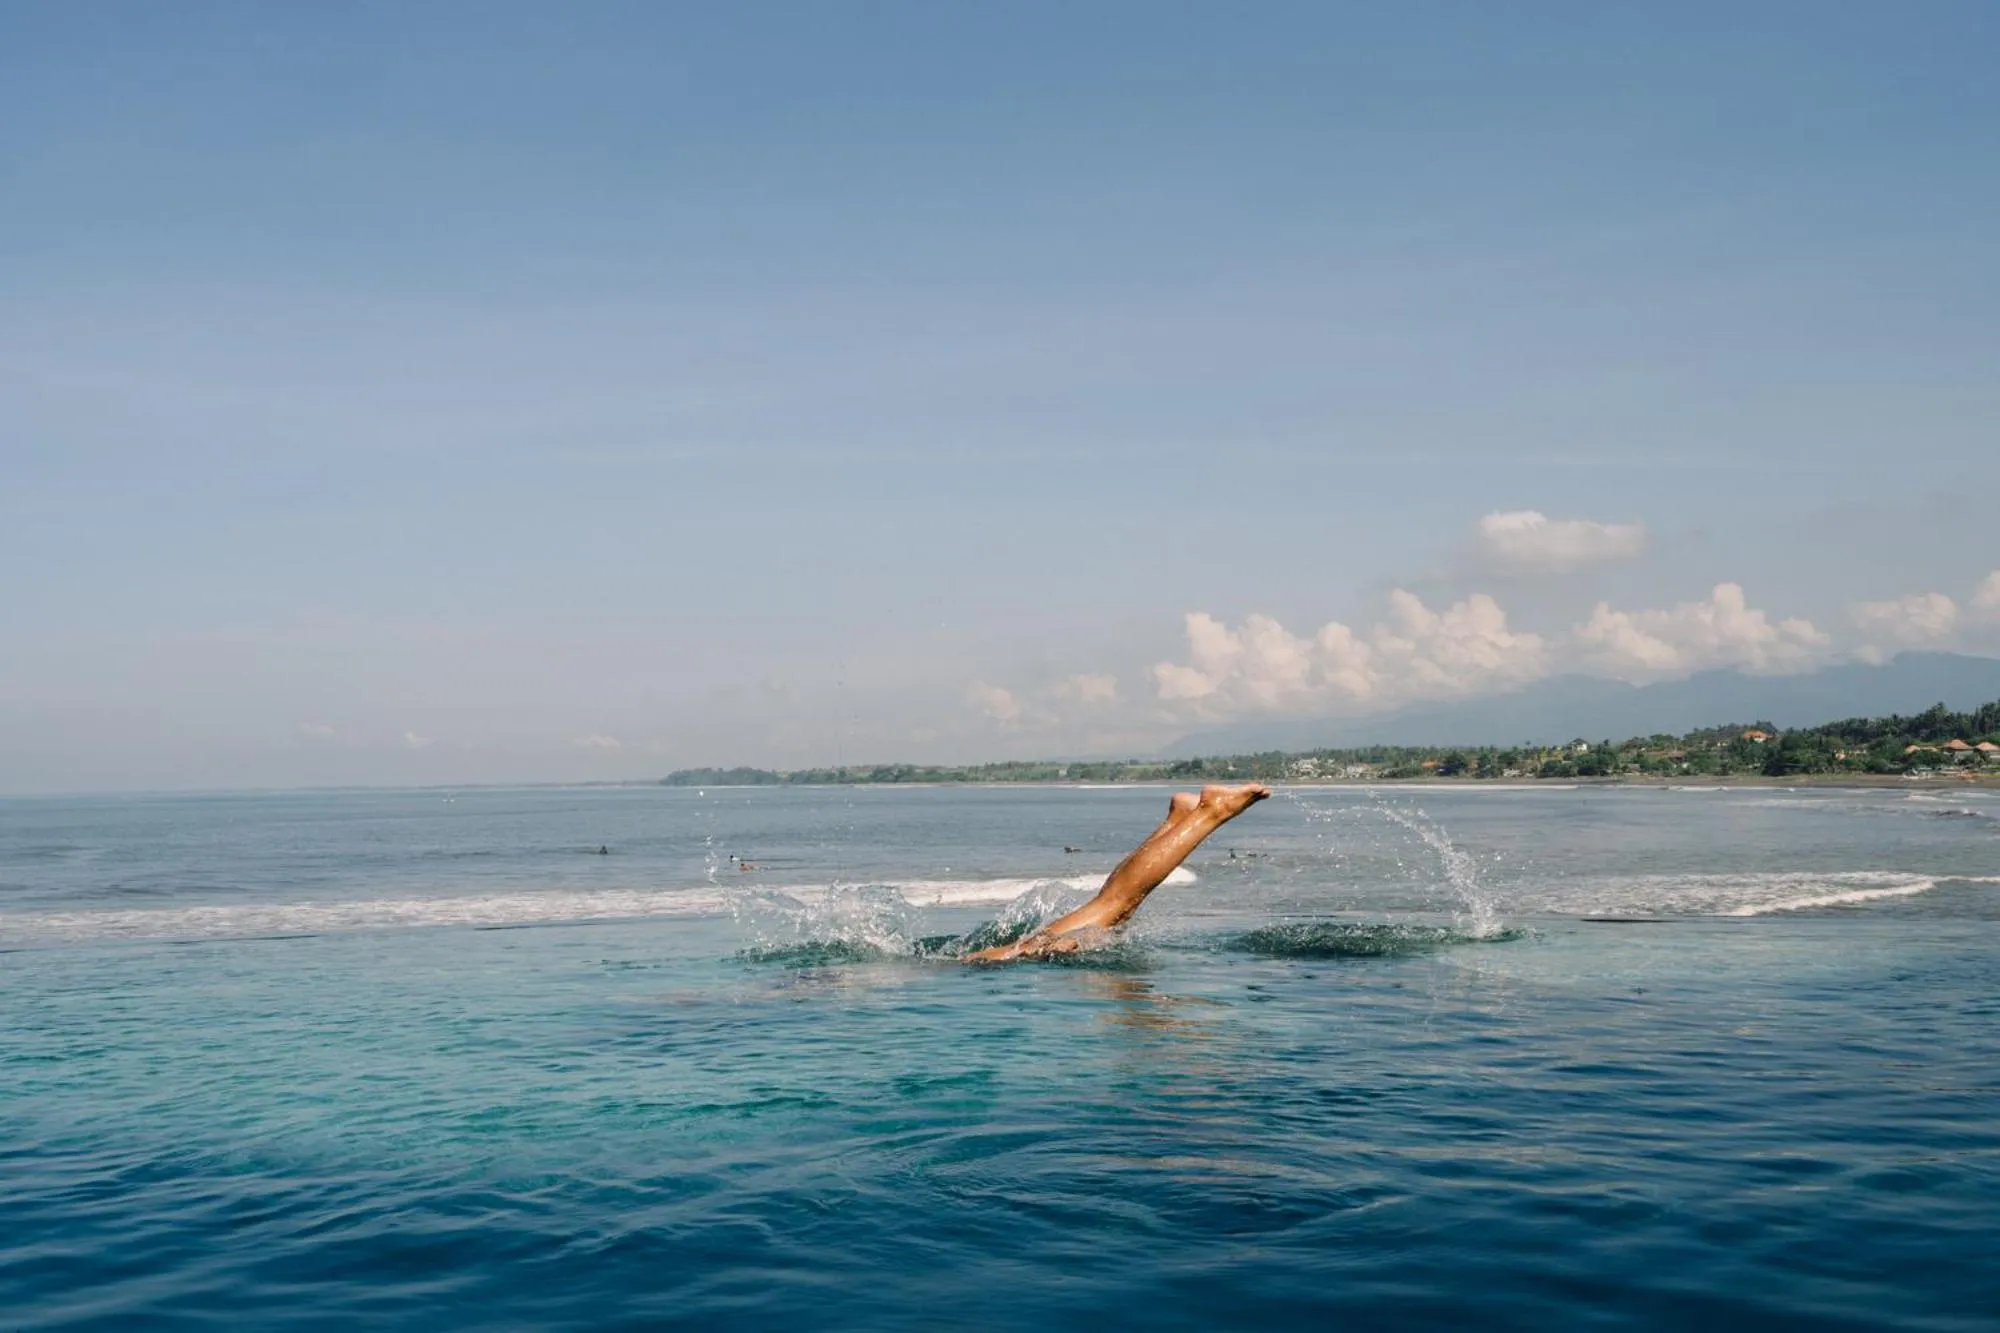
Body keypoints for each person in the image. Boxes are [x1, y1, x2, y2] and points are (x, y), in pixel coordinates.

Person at [965, 783, 1270, 962]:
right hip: (1004, 957)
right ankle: (1181, 821)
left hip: (1008, 957)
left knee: (1113, 904)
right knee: (1113, 905)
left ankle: (1211, 810)